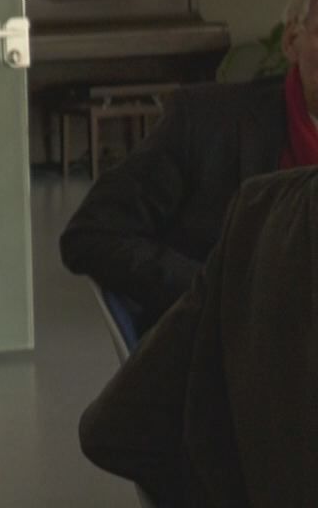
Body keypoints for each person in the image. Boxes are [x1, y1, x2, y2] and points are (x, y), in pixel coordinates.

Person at [61, 0, 318, 335]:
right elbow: (92, 235)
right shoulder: (206, 123)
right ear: (292, 41)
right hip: (228, 353)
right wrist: (216, 293)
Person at [78, 167, 318, 507]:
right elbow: (89, 232)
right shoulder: (257, 204)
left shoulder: (260, 206)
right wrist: (221, 289)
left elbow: (113, 428)